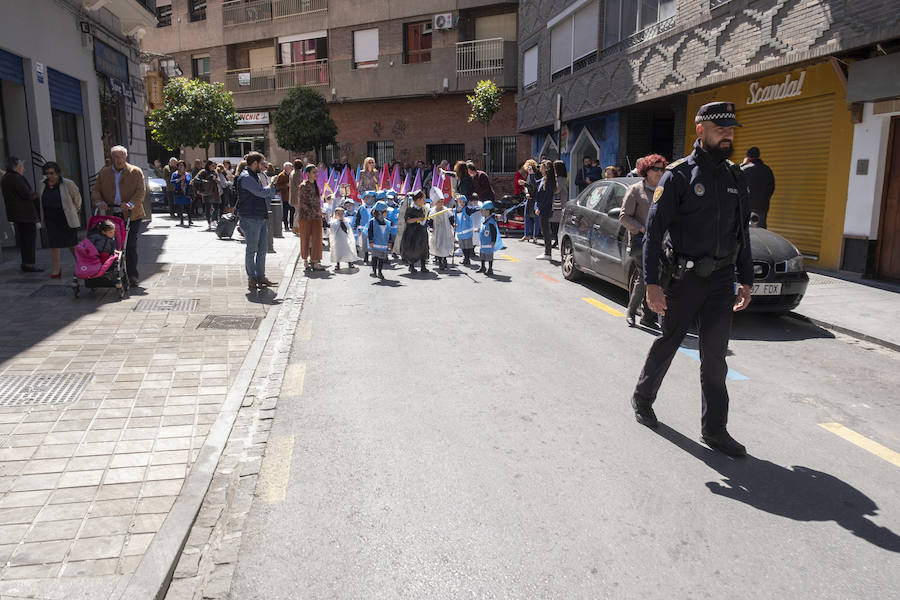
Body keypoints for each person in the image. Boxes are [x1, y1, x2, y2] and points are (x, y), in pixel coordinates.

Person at [630, 101, 753, 458]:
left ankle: (715, 430)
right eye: (721, 129)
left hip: (720, 281)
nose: (728, 134)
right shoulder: (679, 175)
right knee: (668, 342)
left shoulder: (734, 176)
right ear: (701, 130)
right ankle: (643, 397)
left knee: (715, 358)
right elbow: (653, 233)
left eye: (731, 129)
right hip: (682, 279)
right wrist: (651, 283)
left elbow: (741, 233)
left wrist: (745, 280)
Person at [620, 153, 668, 328]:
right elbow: (624, 217)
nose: (659, 172)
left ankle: (648, 316)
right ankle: (632, 312)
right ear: (646, 170)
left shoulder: (664, 191)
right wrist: (642, 229)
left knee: (658, 277)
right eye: (655, 169)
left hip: (662, 243)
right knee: (645, 276)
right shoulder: (635, 190)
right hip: (642, 242)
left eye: (662, 169)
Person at [91, 146, 145, 285]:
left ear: (125, 157)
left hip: (132, 215)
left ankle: (132, 275)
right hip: (112, 215)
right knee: (111, 245)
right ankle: (111, 272)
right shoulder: (104, 173)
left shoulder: (135, 172)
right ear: (111, 158)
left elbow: (140, 192)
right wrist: (99, 202)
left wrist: (130, 204)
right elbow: (96, 190)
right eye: (115, 157)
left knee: (130, 245)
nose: (118, 159)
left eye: (120, 156)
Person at [236, 152, 277, 289]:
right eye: (262, 163)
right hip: (250, 218)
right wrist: (271, 185)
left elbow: (266, 195)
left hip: (259, 216)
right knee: (252, 250)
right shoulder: (246, 177)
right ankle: (252, 278)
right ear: (254, 163)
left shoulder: (254, 175)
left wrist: (270, 188)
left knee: (262, 249)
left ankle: (260, 276)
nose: (264, 166)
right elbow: (261, 192)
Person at [38, 161, 82, 279]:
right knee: (53, 245)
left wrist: (74, 210)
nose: (49, 176)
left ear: (57, 173)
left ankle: (81, 265)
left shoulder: (68, 183)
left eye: (52, 173)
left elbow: (77, 199)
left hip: (65, 218)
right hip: (50, 218)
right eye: (47, 173)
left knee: (72, 244)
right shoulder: (42, 184)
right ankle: (56, 269)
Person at [2, 156, 43, 272]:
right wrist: (37, 194)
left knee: (25, 240)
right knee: (29, 240)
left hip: (19, 214)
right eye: (21, 166)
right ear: (15, 167)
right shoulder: (15, 178)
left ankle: (26, 263)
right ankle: (29, 264)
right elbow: (27, 195)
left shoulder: (6, 178)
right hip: (25, 214)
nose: (23, 169)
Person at [296, 163, 326, 271]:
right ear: (307, 173)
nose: (316, 174)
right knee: (306, 238)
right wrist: (315, 212)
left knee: (317, 239)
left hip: (316, 217)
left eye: (316, 172)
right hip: (306, 217)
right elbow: (302, 203)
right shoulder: (303, 185)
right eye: (314, 172)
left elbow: (317, 201)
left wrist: (321, 212)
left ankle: (315, 261)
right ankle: (305, 259)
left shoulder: (315, 185)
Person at [741, 146, 775, 228]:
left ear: (748, 157)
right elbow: (771, 187)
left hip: (747, 206)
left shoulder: (745, 169)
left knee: (745, 230)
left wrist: (743, 164)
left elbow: (736, 182)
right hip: (762, 206)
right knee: (761, 230)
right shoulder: (767, 170)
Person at [532, 159, 557, 260]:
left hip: (545, 208)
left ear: (546, 169)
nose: (540, 169)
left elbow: (546, 197)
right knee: (544, 230)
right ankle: (547, 252)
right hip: (542, 207)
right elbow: (535, 185)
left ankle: (548, 253)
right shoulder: (543, 179)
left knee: (545, 231)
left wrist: (540, 208)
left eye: (541, 167)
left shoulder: (549, 181)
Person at [401, 190, 430, 274]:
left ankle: (423, 266)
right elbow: (408, 220)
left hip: (422, 231)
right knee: (413, 249)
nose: (424, 201)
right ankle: (411, 266)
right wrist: (418, 219)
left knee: (423, 247)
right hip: (412, 232)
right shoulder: (410, 209)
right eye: (423, 199)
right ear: (418, 200)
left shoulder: (424, 208)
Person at [428, 189, 454, 271]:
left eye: (442, 202)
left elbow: (451, 218)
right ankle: (440, 262)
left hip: (445, 230)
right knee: (438, 246)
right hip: (437, 231)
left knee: (445, 245)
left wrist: (453, 224)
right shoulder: (433, 211)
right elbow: (430, 221)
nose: (441, 203)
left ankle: (445, 259)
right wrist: (431, 227)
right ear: (435, 202)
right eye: (439, 202)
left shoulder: (446, 210)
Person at [367, 200, 391, 279]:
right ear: (380, 212)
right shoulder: (372, 222)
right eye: (385, 211)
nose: (387, 213)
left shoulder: (387, 222)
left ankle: (380, 272)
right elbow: (370, 232)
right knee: (374, 258)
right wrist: (370, 241)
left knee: (381, 259)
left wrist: (389, 242)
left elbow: (389, 232)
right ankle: (374, 271)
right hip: (375, 244)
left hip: (383, 245)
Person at [329, 205, 358, 271]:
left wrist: (350, 238)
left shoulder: (346, 221)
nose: (340, 215)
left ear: (344, 214)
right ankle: (338, 264)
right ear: (335, 215)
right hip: (337, 240)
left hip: (345, 239)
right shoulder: (333, 223)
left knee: (347, 251)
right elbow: (332, 232)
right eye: (338, 214)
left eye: (342, 214)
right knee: (337, 252)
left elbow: (349, 230)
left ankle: (350, 263)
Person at [477, 201, 502, 276]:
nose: (481, 212)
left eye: (482, 210)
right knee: (482, 256)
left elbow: (494, 232)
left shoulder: (491, 222)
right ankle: (483, 267)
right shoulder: (484, 220)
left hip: (488, 243)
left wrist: (493, 241)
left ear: (487, 211)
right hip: (483, 243)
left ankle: (490, 269)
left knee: (489, 257)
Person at [454, 194, 479, 266]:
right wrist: (454, 224)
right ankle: (465, 259)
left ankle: (467, 259)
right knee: (463, 247)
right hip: (460, 232)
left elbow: (473, 210)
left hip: (467, 232)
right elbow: (453, 219)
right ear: (457, 202)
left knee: (467, 247)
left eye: (463, 202)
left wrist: (479, 208)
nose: (462, 203)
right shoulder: (455, 210)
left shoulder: (467, 209)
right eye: (460, 202)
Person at [519, 159, 539, 243]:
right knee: (526, 215)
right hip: (529, 197)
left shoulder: (537, 174)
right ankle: (526, 235)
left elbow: (534, 186)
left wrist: (524, 184)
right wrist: (526, 192)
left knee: (536, 217)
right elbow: (527, 187)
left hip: (536, 198)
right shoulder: (528, 175)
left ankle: (535, 236)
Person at [196, 160, 220, 226]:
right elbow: (196, 179)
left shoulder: (214, 172)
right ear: (209, 165)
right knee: (208, 207)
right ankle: (209, 221)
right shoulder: (203, 171)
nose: (214, 167)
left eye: (214, 166)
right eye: (212, 165)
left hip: (214, 191)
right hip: (206, 191)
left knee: (217, 207)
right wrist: (206, 181)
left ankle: (213, 219)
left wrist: (216, 179)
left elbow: (218, 180)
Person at [551, 160, 568, 248]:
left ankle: (557, 240)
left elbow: (557, 189)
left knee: (556, 223)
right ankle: (556, 240)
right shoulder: (557, 177)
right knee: (554, 223)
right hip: (556, 202)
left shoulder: (561, 178)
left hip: (559, 202)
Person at [171, 160, 192, 226]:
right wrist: (180, 179)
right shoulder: (175, 174)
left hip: (186, 192)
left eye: (182, 166)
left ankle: (189, 220)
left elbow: (189, 181)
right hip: (178, 192)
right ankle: (181, 220)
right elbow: (172, 181)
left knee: (188, 207)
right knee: (180, 207)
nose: (181, 167)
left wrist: (185, 178)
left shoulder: (187, 174)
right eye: (179, 166)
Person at [275, 161, 293, 230]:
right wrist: (286, 185)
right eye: (290, 167)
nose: (291, 168)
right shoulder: (281, 175)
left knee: (292, 211)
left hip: (291, 196)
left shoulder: (292, 174)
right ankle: (286, 225)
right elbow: (277, 186)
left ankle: (291, 225)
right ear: (286, 168)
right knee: (285, 212)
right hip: (285, 196)